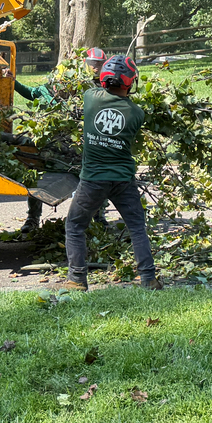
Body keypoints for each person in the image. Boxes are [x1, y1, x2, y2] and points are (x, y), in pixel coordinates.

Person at [63, 54, 159, 291]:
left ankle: (77, 279)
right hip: (123, 179)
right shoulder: (137, 114)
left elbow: (94, 86)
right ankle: (148, 279)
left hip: (92, 180)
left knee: (75, 225)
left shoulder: (90, 99)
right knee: (137, 226)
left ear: (104, 79)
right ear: (131, 82)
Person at [16, 47, 110, 233]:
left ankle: (99, 217)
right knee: (37, 175)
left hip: (79, 144)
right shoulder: (46, 92)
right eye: (93, 65)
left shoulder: (94, 89)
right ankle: (32, 218)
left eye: (98, 65)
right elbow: (29, 92)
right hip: (51, 144)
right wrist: (12, 81)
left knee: (98, 174)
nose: (95, 69)